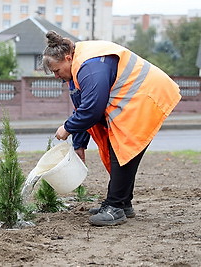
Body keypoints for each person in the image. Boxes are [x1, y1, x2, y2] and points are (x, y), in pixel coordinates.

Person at [42, 30, 181, 226]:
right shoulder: (76, 70)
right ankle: (122, 204)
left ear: (67, 58)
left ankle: (115, 206)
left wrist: (67, 127)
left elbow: (92, 109)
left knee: (123, 151)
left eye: (57, 70)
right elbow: (82, 105)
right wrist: (79, 144)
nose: (57, 76)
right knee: (118, 150)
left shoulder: (89, 67)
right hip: (134, 99)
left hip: (146, 96)